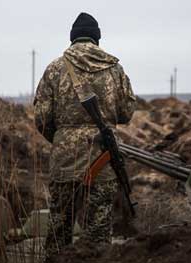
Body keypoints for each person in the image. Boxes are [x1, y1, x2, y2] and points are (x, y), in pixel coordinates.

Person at [34, 12, 136, 261]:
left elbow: (42, 118)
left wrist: (63, 138)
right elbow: (126, 112)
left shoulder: (54, 69)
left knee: (59, 226)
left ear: (72, 39)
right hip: (104, 154)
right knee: (99, 230)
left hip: (64, 158)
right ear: (97, 39)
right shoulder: (115, 68)